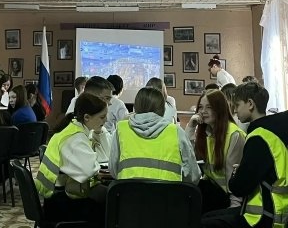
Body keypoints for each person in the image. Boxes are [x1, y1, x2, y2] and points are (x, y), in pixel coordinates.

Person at [201, 82, 288, 228]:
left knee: (204, 223)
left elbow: (239, 187)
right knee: (208, 217)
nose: (235, 110)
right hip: (280, 210)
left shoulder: (258, 138)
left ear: (250, 104)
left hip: (265, 216)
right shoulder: (275, 132)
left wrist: (236, 173)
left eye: (237, 105)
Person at [36, 93, 111, 227]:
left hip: (58, 196)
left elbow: (104, 157)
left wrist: (99, 132)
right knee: (112, 204)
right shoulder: (75, 138)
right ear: (87, 117)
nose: (106, 120)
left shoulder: (74, 128)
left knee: (107, 197)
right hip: (60, 203)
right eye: (102, 117)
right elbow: (89, 170)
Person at [110, 87, 200, 183]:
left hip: (128, 191)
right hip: (169, 192)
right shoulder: (176, 132)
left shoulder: (121, 129)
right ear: (163, 109)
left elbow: (113, 169)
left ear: (135, 107)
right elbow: (193, 175)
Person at [187, 89, 246, 211]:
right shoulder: (207, 132)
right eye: (200, 107)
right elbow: (187, 156)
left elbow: (234, 176)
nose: (203, 111)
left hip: (226, 197)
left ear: (219, 109)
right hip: (212, 190)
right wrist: (191, 127)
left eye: (209, 107)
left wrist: (233, 208)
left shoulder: (234, 135)